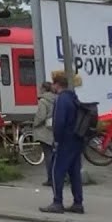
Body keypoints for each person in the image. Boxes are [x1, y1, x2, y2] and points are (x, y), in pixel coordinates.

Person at [40, 72, 84, 214]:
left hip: (65, 140)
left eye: (53, 83)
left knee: (56, 170)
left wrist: (57, 140)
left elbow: (59, 122)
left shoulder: (61, 99)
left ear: (57, 84)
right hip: (76, 140)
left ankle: (57, 202)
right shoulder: (73, 97)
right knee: (75, 173)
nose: (52, 86)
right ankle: (78, 203)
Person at [32, 81, 57, 187]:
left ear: (43, 89)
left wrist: (34, 123)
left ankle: (51, 178)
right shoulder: (56, 98)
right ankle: (60, 176)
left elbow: (41, 116)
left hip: (45, 131)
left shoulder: (43, 101)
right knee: (56, 154)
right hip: (56, 129)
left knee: (48, 155)